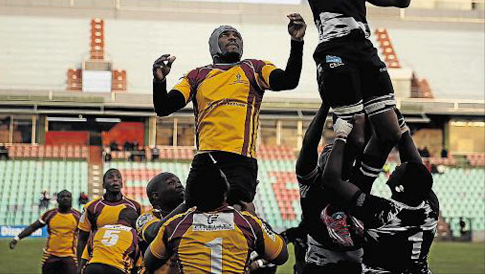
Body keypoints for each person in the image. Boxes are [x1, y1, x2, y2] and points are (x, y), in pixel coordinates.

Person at [286, 0, 413, 195]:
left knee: (389, 132)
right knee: (354, 137)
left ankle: (356, 191)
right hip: (335, 49)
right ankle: (334, 191)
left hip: (365, 51)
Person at [153, 14, 306, 208]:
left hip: (240, 160)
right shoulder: (196, 75)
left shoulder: (254, 67)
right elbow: (164, 107)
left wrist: (297, 42)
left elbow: (288, 81)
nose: (233, 38)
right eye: (225, 35)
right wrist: (159, 81)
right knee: (194, 213)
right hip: (206, 158)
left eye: (237, 36)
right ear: (214, 45)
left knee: (235, 213)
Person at [322, 118, 439, 274]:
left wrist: (341, 135)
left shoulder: (384, 211)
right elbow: (416, 168)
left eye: (398, 170)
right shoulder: (429, 207)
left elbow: (331, 180)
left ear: (400, 187)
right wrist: (402, 129)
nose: (396, 166)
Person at [144, 162, 288, 273]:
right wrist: (254, 216)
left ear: (191, 194)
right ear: (225, 193)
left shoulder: (174, 225)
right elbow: (280, 256)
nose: (178, 185)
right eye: (171, 183)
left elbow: (150, 262)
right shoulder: (246, 221)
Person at [295, 104, 365, 273]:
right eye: (327, 151)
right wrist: (325, 106)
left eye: (336, 153)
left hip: (353, 266)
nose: (332, 154)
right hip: (320, 266)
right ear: (319, 165)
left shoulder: (352, 181)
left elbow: (358, 144)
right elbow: (309, 146)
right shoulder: (311, 183)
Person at [77, 169, 142, 268]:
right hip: (97, 262)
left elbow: (140, 238)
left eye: (118, 177)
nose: (115, 180)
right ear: (103, 185)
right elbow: (82, 239)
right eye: (110, 177)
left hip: (124, 265)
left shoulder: (135, 206)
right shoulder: (91, 207)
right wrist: (80, 266)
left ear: (122, 183)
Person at [9, 190, 80, 274]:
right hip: (50, 256)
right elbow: (33, 227)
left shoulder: (78, 216)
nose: (65, 198)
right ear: (57, 200)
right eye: (62, 196)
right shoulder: (50, 214)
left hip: (70, 256)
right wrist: (17, 238)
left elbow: (88, 234)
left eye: (68, 196)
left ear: (71, 199)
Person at [136, 172, 186, 273]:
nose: (179, 185)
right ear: (156, 196)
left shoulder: (190, 214)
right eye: (171, 183)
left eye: (179, 182)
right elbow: (152, 234)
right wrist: (185, 205)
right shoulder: (146, 217)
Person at [80, 208, 141, 274]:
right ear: (135, 222)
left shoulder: (101, 229)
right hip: (116, 268)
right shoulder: (134, 234)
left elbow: (85, 256)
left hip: (93, 267)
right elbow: (138, 264)